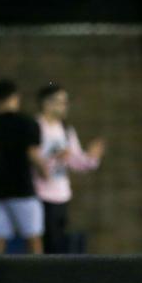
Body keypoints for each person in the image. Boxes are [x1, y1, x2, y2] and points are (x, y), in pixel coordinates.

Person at [34, 85, 105, 255]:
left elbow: (76, 161)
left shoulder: (66, 130)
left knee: (58, 243)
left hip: (61, 194)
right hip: (40, 194)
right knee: (42, 242)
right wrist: (54, 157)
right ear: (47, 103)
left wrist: (92, 158)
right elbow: (31, 157)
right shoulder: (35, 127)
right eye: (60, 102)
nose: (64, 107)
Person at [0, 79, 46, 255]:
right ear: (16, 97)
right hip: (22, 188)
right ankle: (39, 276)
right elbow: (32, 153)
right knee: (33, 237)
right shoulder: (27, 122)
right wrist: (45, 171)